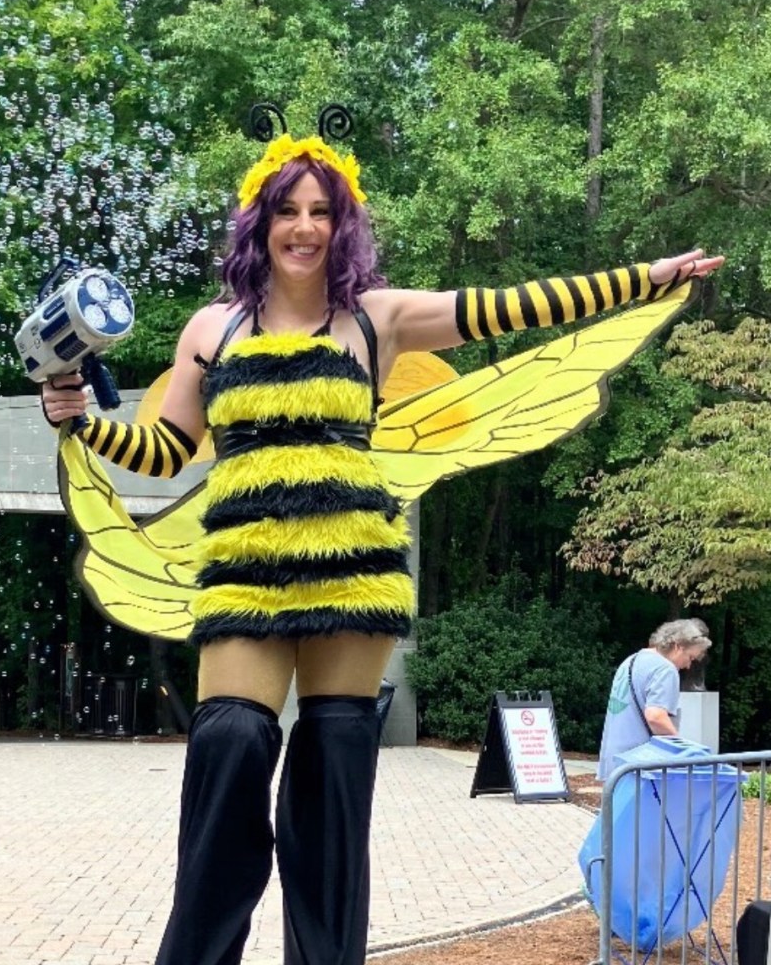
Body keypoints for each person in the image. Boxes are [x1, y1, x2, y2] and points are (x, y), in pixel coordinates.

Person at [42, 126, 724, 965]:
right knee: (229, 748)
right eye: (286, 210)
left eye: (321, 211)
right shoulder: (211, 329)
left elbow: (514, 305)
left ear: (343, 224)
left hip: (354, 572)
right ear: (259, 221)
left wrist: (644, 278)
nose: (304, 227)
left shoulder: (377, 318)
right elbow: (167, 451)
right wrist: (83, 423)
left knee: (332, 788)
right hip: (244, 576)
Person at [597, 618, 713, 780]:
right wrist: (683, 749)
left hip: (615, 763)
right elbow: (655, 717)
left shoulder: (631, 660)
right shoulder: (665, 669)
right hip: (642, 769)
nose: (688, 666)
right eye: (690, 658)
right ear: (678, 646)